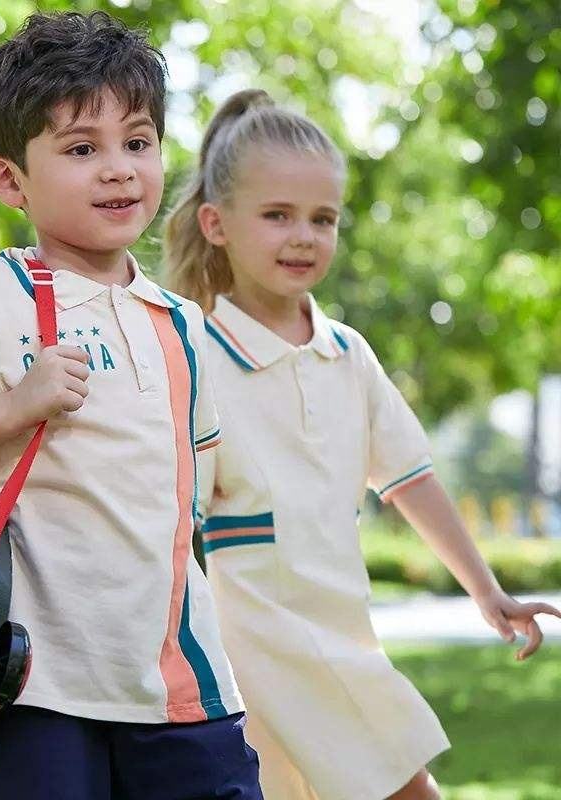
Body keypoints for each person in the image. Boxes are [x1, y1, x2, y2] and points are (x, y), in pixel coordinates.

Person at [0, 14, 262, 800]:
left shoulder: (181, 324)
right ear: (10, 180)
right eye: (82, 149)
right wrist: (15, 406)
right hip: (37, 687)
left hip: (182, 684)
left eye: (137, 142)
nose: (119, 170)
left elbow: (196, 497)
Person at [163, 88, 561, 800]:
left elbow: (409, 477)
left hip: (343, 633)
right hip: (258, 649)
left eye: (323, 218)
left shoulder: (347, 354)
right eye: (277, 215)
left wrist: (486, 590)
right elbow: (169, 513)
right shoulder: (195, 355)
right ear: (215, 223)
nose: (304, 236)